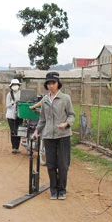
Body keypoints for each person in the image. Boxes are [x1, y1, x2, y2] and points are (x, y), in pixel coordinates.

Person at [32, 72, 75, 200]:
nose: (51, 86)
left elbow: (72, 115)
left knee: (63, 165)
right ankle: (53, 190)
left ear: (58, 84)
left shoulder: (65, 98)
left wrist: (66, 123)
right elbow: (42, 119)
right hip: (49, 137)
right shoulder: (45, 100)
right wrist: (36, 131)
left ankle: (62, 190)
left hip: (63, 136)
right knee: (50, 164)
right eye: (49, 83)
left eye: (53, 83)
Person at [5, 79, 22, 154]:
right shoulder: (9, 95)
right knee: (13, 131)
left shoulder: (21, 93)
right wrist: (13, 102)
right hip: (11, 115)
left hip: (19, 115)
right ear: (11, 86)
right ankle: (14, 147)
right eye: (13, 85)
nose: (15, 86)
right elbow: (7, 105)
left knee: (19, 131)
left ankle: (17, 147)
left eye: (16, 85)